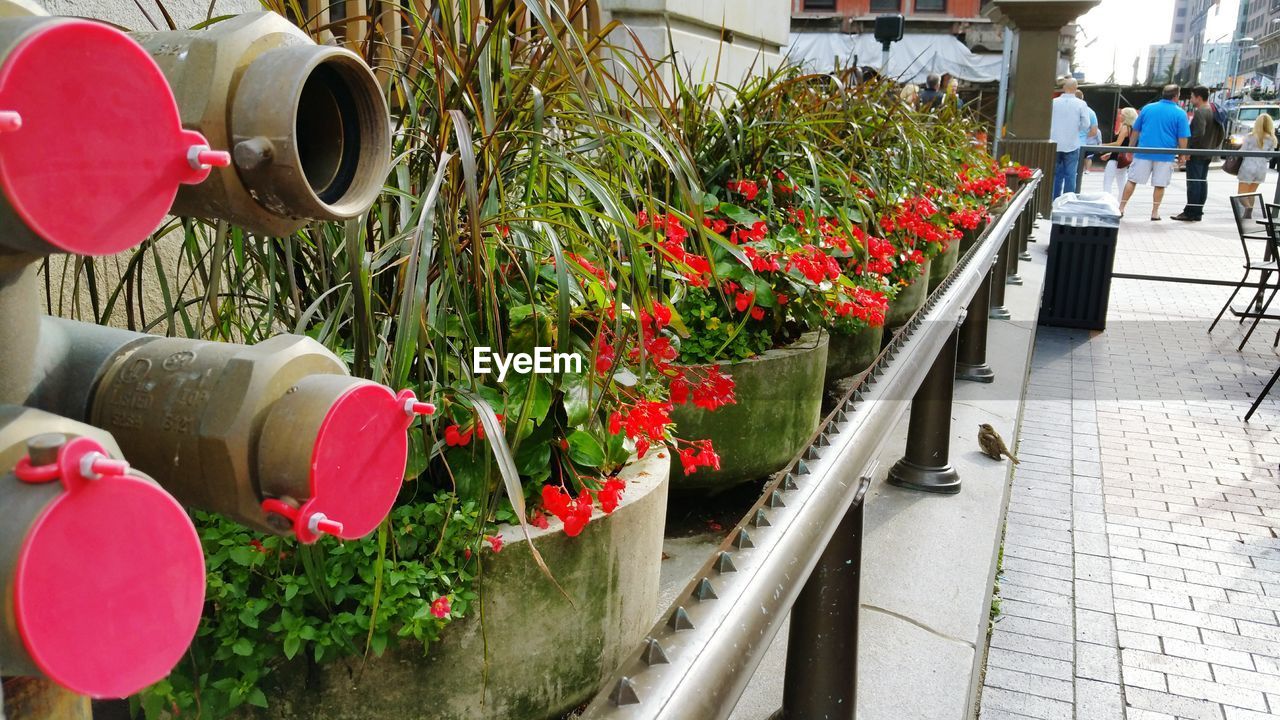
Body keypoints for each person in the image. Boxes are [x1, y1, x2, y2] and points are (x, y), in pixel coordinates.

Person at [1119, 84, 1191, 221]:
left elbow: (1136, 130)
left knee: (1132, 180)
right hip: (1165, 154)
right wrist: (1182, 155)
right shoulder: (1180, 113)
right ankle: (1154, 212)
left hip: (1143, 152)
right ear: (1176, 96)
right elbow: (1182, 137)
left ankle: (1121, 208)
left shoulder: (1148, 108)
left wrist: (1130, 148)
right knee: (1160, 184)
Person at [1172, 86, 1226, 222]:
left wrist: (1189, 150)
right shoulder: (1214, 110)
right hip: (1208, 152)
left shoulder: (1201, 112)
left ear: (1199, 97)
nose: (1191, 99)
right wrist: (1212, 146)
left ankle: (1190, 212)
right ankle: (1197, 211)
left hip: (1197, 153)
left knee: (1194, 183)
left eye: (1192, 97)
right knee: (1201, 182)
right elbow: (1222, 134)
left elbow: (1198, 134)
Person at [1049, 78, 1092, 198]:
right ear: (1076, 88)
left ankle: (1054, 199)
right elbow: (1086, 124)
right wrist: (1076, 128)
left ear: (1063, 88)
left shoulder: (1053, 102)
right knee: (1071, 174)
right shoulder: (1081, 104)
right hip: (1072, 143)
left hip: (1055, 142)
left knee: (1055, 174)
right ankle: (1068, 200)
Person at [1236, 113, 1276, 218]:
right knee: (1251, 192)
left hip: (1248, 166)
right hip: (1261, 168)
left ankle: (1247, 208)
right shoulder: (1272, 139)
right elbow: (1269, 157)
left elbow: (1242, 151)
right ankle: (1248, 214)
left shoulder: (1250, 137)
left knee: (1241, 193)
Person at [1101, 107, 1138, 200]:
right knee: (1121, 183)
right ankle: (1119, 204)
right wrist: (1110, 153)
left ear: (1126, 116)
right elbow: (1124, 145)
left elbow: (1118, 143)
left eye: (1122, 114)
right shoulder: (1132, 128)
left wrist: (1102, 145)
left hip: (1115, 159)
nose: (1119, 115)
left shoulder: (1125, 127)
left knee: (1107, 182)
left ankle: (1107, 202)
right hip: (1121, 159)